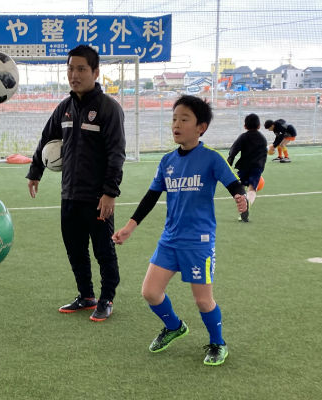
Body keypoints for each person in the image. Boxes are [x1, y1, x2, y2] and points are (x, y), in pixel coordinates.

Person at [112, 95, 247, 366]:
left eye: (184, 119)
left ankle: (218, 343)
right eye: (174, 119)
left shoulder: (211, 158)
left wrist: (240, 196)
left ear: (201, 127)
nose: (176, 124)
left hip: (198, 242)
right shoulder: (167, 161)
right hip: (170, 240)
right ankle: (174, 326)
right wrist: (129, 227)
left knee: (203, 301)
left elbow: (234, 184)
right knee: (150, 292)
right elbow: (151, 197)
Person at [27, 44, 126, 322]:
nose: (74, 75)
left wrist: (110, 192)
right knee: (75, 249)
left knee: (103, 251)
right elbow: (47, 138)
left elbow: (116, 154)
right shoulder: (65, 108)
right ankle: (86, 295)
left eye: (81, 69)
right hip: (69, 194)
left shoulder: (108, 109)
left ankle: (106, 299)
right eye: (70, 69)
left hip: (97, 197)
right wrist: (35, 171)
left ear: (95, 72)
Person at [226, 113, 268, 222]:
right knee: (252, 189)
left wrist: (229, 162)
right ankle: (247, 205)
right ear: (259, 126)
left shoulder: (243, 137)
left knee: (238, 186)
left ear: (245, 126)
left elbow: (233, 150)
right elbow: (264, 155)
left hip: (244, 167)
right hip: (257, 168)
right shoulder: (263, 139)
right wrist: (260, 168)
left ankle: (243, 204)